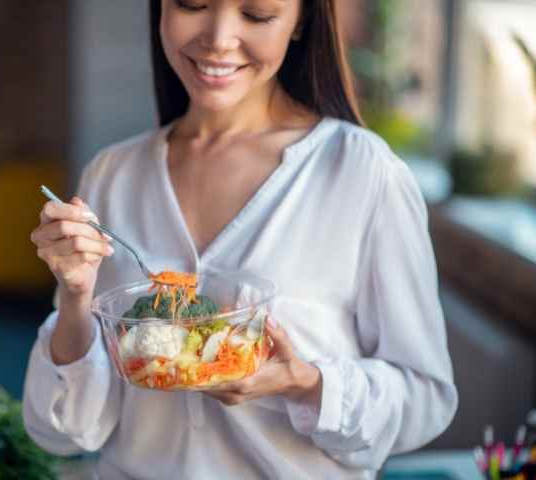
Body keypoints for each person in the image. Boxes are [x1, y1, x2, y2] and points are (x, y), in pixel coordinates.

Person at [25, 0, 458, 478]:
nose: (218, 37)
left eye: (256, 15)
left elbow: (425, 398)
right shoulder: (112, 174)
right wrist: (76, 295)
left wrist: (306, 384)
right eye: (192, 4)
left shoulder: (361, 173)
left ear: (300, 24)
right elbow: (64, 434)